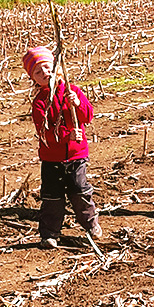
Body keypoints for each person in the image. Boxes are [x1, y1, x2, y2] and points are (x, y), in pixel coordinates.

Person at [25, 46, 103, 248]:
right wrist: (68, 136)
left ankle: (91, 225)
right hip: (51, 158)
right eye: (38, 72)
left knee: (80, 191)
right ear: (33, 78)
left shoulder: (71, 90)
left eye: (47, 67)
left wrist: (77, 103)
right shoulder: (39, 103)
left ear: (56, 67)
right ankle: (49, 234)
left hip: (77, 155)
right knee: (52, 197)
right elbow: (45, 133)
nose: (44, 73)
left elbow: (88, 116)